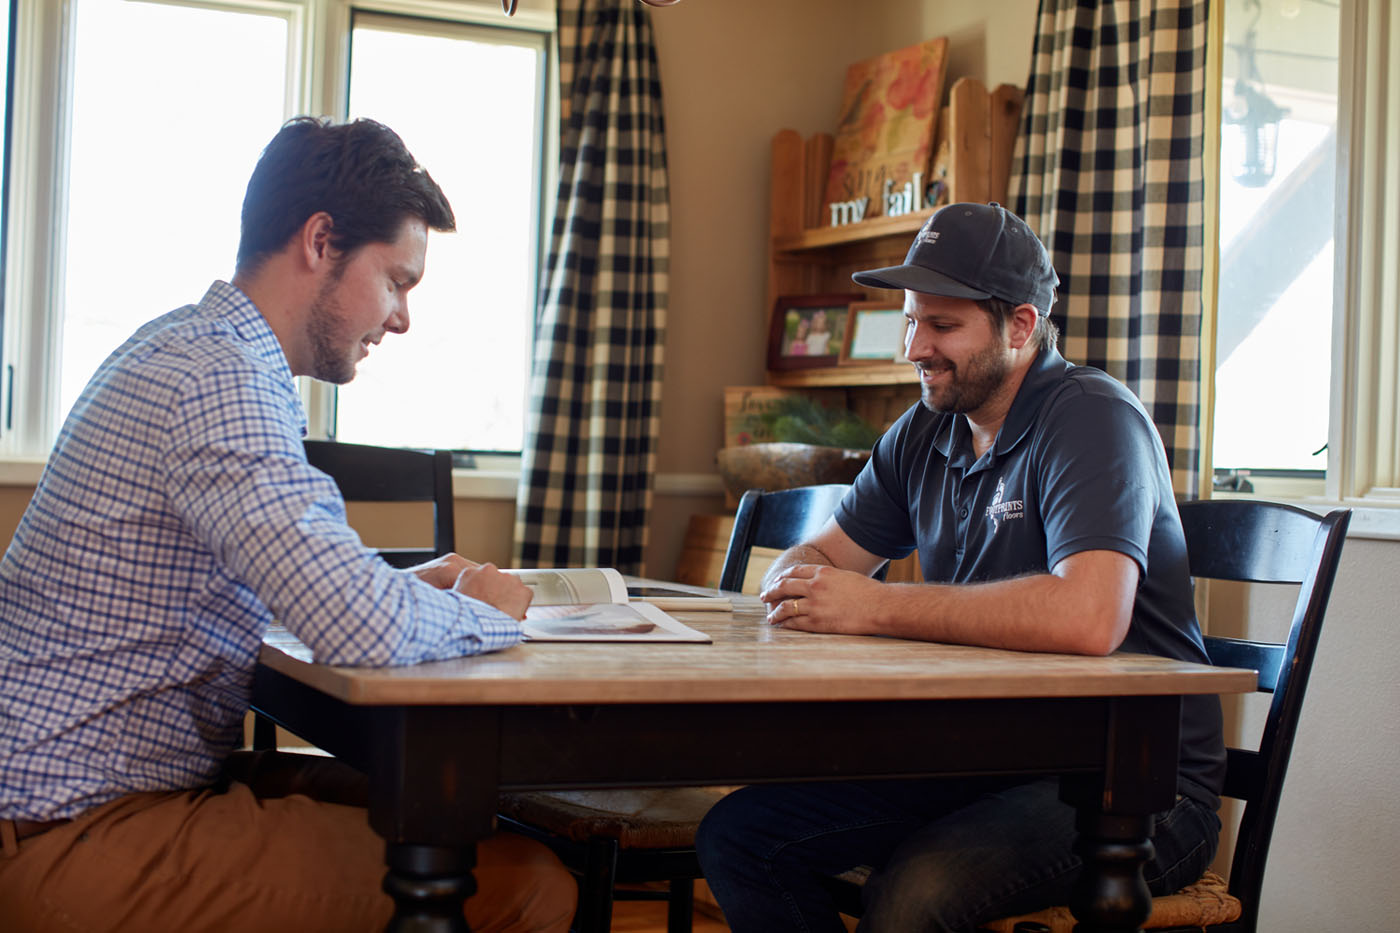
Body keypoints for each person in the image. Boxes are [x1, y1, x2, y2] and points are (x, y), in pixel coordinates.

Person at [0, 117, 575, 932]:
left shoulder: (181, 345)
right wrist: (485, 608)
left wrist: (400, 587)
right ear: (320, 241)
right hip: (72, 822)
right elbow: (358, 627)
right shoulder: (220, 379)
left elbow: (273, 582)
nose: (403, 316)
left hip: (77, 788)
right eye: (397, 280)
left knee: (469, 812)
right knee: (528, 882)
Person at [695, 202, 1224, 933]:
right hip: (985, 758)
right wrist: (802, 582)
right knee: (740, 835)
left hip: (1129, 786)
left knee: (918, 890)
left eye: (943, 325)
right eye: (911, 320)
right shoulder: (924, 429)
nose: (915, 346)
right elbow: (812, 558)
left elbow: (1090, 615)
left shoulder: (1092, 418)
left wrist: (872, 607)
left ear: (1021, 326)